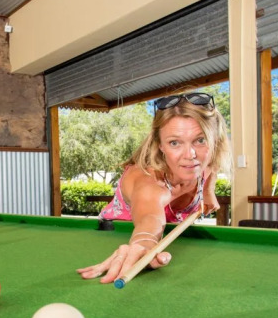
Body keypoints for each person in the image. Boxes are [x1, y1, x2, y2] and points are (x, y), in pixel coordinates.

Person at [77, 92, 230, 284]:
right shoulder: (149, 180)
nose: (190, 155)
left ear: (215, 141)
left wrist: (208, 193)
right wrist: (143, 243)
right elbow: (150, 218)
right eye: (174, 143)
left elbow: (212, 167)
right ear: (160, 146)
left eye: (200, 140)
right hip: (112, 231)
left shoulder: (206, 162)